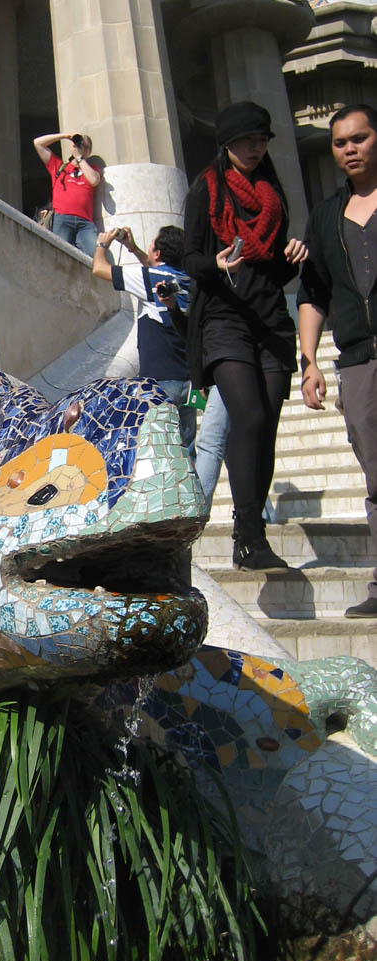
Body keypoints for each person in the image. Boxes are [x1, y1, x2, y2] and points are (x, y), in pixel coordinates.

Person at [183, 100, 307, 571]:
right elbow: (190, 258)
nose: (255, 148)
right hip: (224, 319)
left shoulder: (272, 195)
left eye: (261, 140)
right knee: (249, 417)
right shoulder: (207, 189)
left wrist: (291, 258)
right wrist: (214, 264)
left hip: (271, 321)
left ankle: (250, 538)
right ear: (227, 144)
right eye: (245, 141)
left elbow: (272, 271)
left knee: (266, 427)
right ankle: (249, 536)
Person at [299, 103, 377, 618]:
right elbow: (313, 292)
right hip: (359, 361)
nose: (350, 149)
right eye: (340, 143)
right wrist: (309, 361)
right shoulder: (326, 216)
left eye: (360, 138)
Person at [92, 223, 196, 454]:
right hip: (188, 381)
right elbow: (157, 270)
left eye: (151, 244)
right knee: (187, 450)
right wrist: (133, 248)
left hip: (160, 382)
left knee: (160, 451)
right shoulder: (186, 280)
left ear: (157, 253)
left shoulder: (149, 278)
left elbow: (99, 268)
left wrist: (102, 244)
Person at [32, 129, 101, 257]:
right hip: (62, 218)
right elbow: (38, 143)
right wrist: (65, 136)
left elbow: (94, 180)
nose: (81, 148)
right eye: (79, 145)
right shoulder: (59, 166)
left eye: (85, 147)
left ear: (89, 151)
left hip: (85, 222)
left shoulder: (91, 169)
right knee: (62, 256)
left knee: (96, 256)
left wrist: (79, 158)